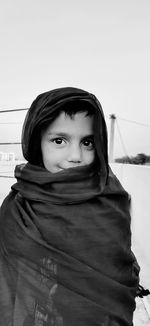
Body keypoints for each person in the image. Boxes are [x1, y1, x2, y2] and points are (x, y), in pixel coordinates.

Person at [0, 87, 140, 326]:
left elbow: (117, 276)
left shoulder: (111, 201)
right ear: (36, 143)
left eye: (87, 142)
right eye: (59, 140)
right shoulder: (19, 207)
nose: (76, 155)